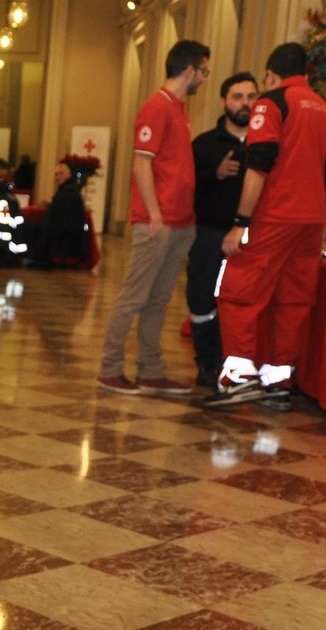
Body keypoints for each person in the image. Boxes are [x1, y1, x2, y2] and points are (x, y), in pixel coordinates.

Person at [206, 42, 326, 412]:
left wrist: (240, 223)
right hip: (311, 221)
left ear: (270, 76)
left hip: (274, 217)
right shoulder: (325, 110)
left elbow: (260, 162)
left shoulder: (272, 102)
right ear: (307, 75)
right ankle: (278, 379)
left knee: (237, 291)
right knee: (292, 299)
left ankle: (237, 376)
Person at [96, 39, 211, 397]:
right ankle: (110, 368)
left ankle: (151, 369)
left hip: (179, 221)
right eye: (204, 71)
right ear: (189, 70)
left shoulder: (180, 110)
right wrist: (156, 215)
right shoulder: (156, 107)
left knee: (158, 300)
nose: (205, 78)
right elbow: (142, 162)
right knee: (134, 296)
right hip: (156, 221)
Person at [186, 72, 259, 389]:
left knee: (245, 305)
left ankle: (240, 367)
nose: (245, 104)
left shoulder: (266, 143)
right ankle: (207, 364)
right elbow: (185, 189)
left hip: (253, 238)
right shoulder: (203, 145)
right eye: (238, 97)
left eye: (251, 97)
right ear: (223, 102)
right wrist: (213, 173)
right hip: (209, 234)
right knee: (202, 298)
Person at [24, 156, 98, 269]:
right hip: (62, 230)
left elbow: (61, 217)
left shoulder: (68, 191)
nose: (58, 177)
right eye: (56, 174)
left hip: (61, 234)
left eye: (61, 173)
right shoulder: (69, 190)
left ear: (69, 175)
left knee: (30, 229)